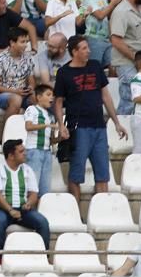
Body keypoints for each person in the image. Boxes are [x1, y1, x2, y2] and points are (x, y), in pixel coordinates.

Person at [54, 35, 128, 201]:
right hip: (78, 126)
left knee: (102, 174)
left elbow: (106, 96)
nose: (89, 51)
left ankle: (100, 211)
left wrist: (116, 122)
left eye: (88, 47)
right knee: (76, 173)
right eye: (84, 48)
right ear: (74, 51)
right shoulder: (64, 73)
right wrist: (61, 125)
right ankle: (76, 212)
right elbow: (58, 102)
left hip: (99, 125)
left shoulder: (95, 66)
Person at [0, 139, 49, 256]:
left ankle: (43, 257)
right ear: (11, 156)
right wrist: (10, 210)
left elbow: (34, 193)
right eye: (21, 151)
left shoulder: (27, 169)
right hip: (3, 209)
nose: (25, 153)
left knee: (43, 222)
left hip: (23, 210)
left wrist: (29, 203)